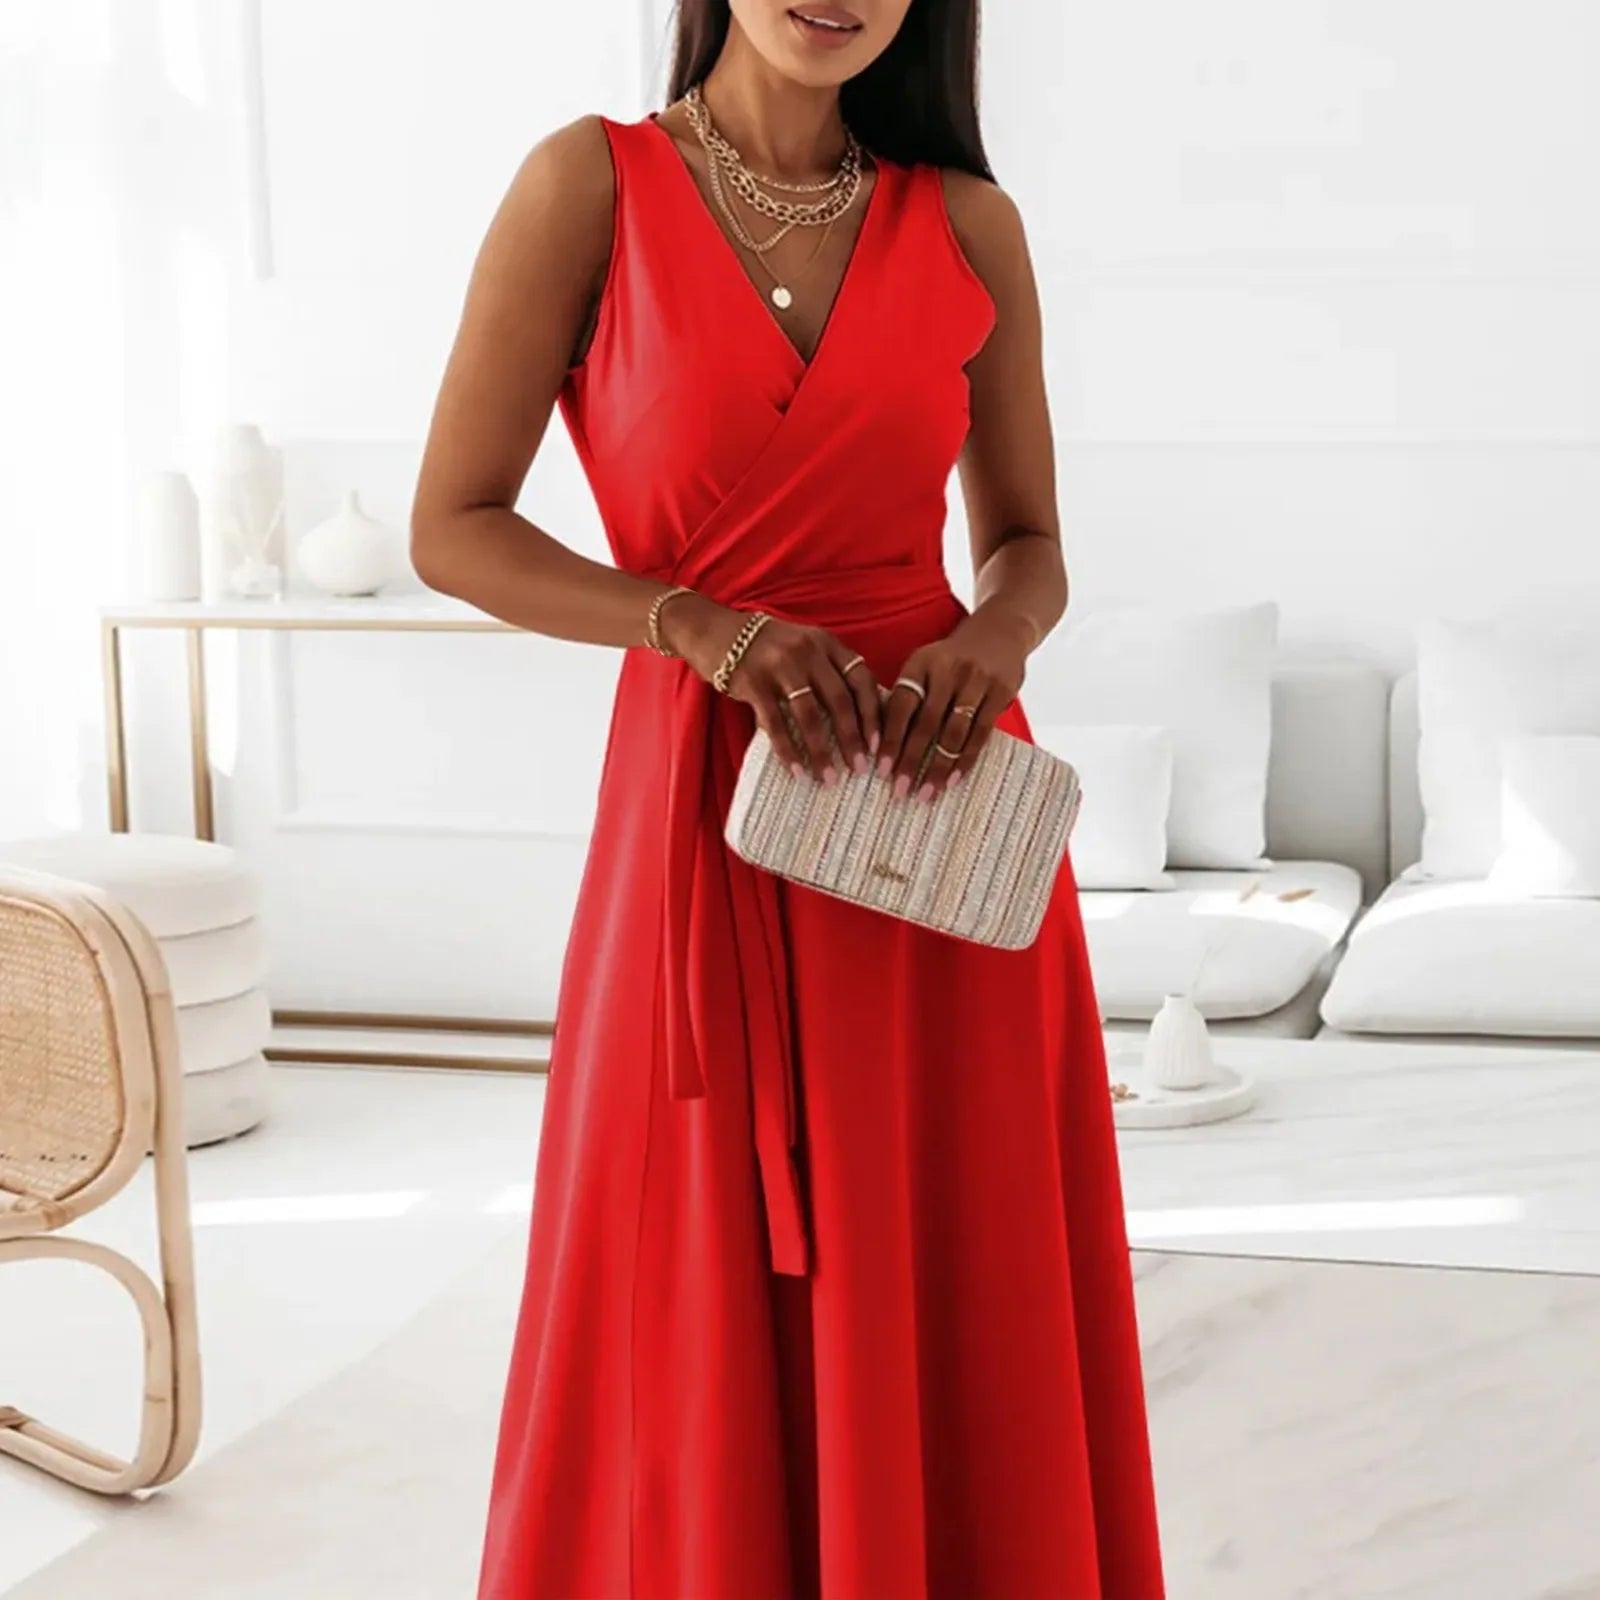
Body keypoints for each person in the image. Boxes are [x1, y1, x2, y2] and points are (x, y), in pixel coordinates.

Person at [411, 2, 1165, 1594]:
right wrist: (689, 618)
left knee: (954, 1259)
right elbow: (456, 524)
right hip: (702, 798)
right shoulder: (585, 186)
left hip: (929, 800)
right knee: (681, 1251)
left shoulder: (965, 221)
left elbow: (1028, 538)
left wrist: (992, 637)